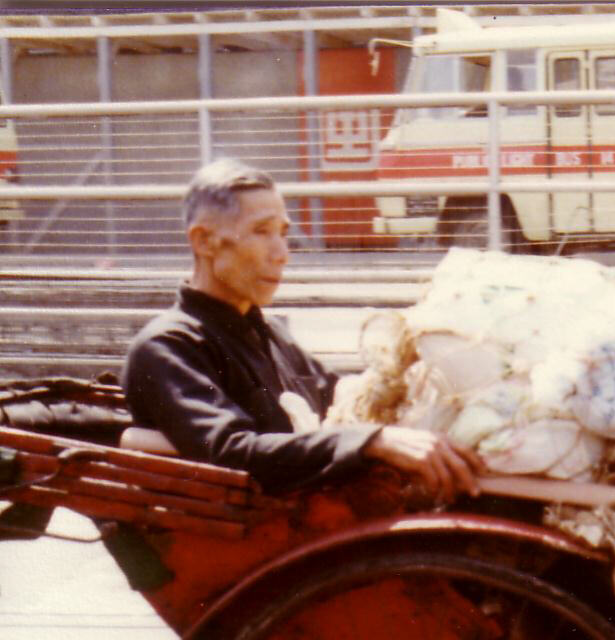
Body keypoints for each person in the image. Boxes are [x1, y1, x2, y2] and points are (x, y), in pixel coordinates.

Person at [123, 158, 483, 499]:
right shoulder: (168, 346)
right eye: (261, 232)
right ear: (204, 241)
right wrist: (373, 441)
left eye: (283, 233)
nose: (281, 253)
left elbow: (341, 397)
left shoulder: (269, 330)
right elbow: (231, 450)